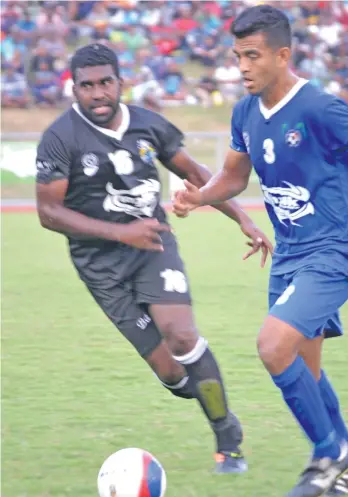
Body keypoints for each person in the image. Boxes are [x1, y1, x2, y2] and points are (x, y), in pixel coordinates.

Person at [172, 5, 348, 496]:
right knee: (307, 370)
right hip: (291, 255)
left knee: (272, 346)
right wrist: (199, 195)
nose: (243, 67)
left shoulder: (317, 107)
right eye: (237, 57)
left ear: (283, 54)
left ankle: (327, 455)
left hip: (333, 251)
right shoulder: (245, 111)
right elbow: (234, 176)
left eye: (252, 56)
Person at [35, 43, 273, 474]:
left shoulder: (148, 125)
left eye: (106, 82)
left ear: (120, 82)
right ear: (74, 89)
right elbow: (48, 212)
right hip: (101, 269)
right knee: (173, 376)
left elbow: (196, 175)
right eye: (87, 86)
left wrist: (242, 219)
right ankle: (201, 392)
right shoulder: (60, 138)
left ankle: (227, 436)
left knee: (181, 336)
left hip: (153, 249)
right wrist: (120, 231)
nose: (98, 94)